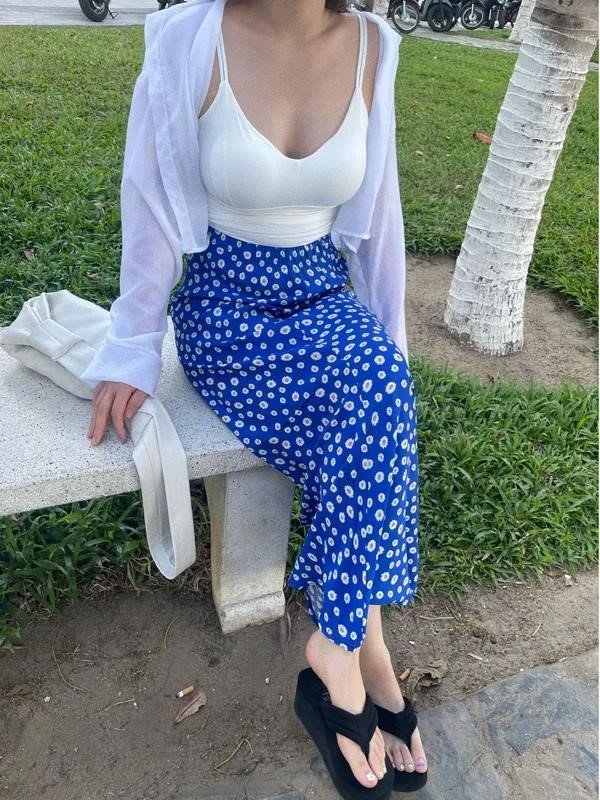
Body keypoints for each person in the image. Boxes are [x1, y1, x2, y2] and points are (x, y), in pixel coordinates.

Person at [83, 0, 428, 795]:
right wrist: (132, 347)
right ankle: (354, 653)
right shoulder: (187, 38)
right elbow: (148, 200)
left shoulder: (374, 45)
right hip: (227, 310)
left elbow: (380, 220)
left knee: (377, 388)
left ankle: (354, 647)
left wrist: (392, 355)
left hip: (321, 295)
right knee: (368, 400)